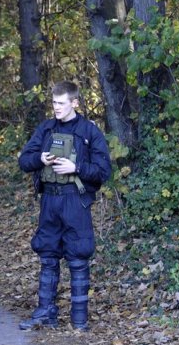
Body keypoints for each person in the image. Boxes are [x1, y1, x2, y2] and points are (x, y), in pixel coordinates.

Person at [18, 81, 111, 331]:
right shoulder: (46, 129)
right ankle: (46, 313)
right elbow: (24, 161)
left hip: (75, 201)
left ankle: (79, 320)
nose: (56, 107)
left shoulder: (90, 132)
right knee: (47, 255)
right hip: (49, 200)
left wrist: (76, 168)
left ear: (75, 103)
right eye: (54, 103)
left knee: (78, 257)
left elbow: (104, 171)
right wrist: (40, 158)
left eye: (61, 103)